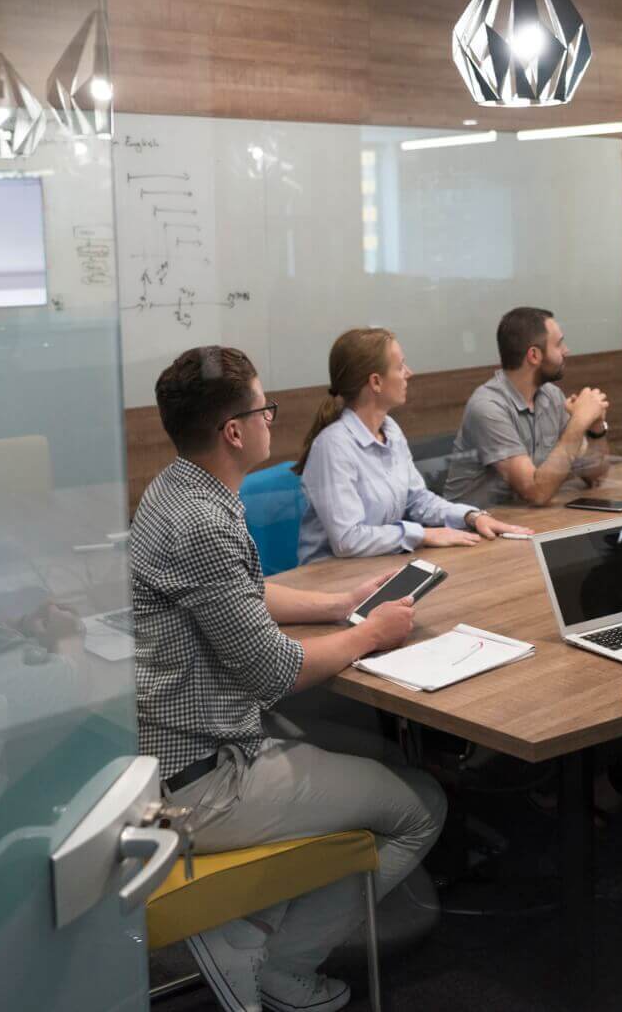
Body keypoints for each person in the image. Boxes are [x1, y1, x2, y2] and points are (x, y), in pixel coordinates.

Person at [132, 345, 446, 1012]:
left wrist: (338, 605)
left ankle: (263, 917)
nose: (275, 418)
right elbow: (275, 673)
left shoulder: (177, 488)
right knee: (419, 808)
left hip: (179, 752)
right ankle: (282, 964)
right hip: (206, 780)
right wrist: (370, 634)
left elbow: (241, 594)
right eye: (264, 407)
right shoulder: (203, 520)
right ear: (235, 431)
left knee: (380, 757)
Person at [294, 328, 529, 564]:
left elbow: (417, 500)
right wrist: (422, 535)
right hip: (330, 578)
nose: (409, 373)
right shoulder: (333, 446)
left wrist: (471, 517)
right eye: (400, 367)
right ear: (376, 382)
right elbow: (348, 539)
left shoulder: (390, 429)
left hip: (378, 564)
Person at [444, 306, 611, 507]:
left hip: (527, 523)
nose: (567, 351)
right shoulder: (487, 408)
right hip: (474, 532)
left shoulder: (551, 395)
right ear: (534, 355)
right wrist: (578, 422)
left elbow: (594, 475)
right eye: (559, 345)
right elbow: (535, 492)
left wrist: (595, 429)